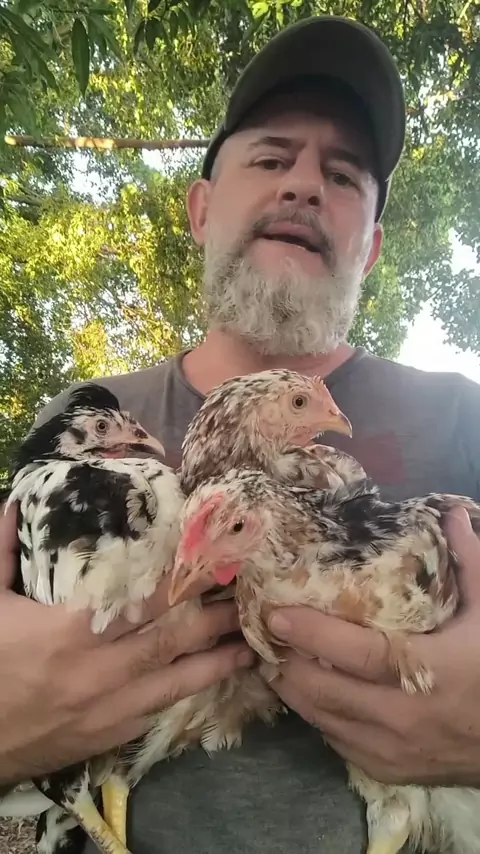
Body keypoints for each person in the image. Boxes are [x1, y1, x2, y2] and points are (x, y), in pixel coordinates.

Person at [1, 13, 480, 854]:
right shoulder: (89, 425)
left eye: (343, 174)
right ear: (201, 209)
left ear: (370, 249)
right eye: (270, 158)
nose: (304, 186)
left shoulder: (462, 417)